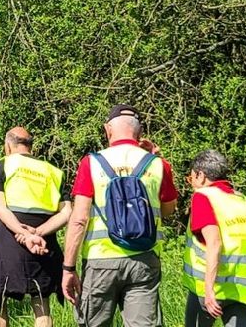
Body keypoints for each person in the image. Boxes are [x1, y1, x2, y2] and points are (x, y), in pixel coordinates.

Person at [61, 105, 179, 327]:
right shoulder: (157, 164)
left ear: (108, 129)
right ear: (140, 131)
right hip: (144, 259)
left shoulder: (92, 163)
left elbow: (79, 219)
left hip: (100, 261)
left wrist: (68, 268)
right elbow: (168, 209)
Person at [0, 127, 71, 327]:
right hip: (45, 241)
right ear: (31, 146)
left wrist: (23, 233)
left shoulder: (2, 165)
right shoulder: (54, 171)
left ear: (8, 145)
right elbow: (67, 212)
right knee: (41, 302)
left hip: (9, 239)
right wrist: (38, 233)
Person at [179, 150, 246, 327]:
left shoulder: (203, 197)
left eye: (191, 178)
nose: (191, 184)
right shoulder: (245, 201)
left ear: (201, 175)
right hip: (242, 291)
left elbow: (214, 243)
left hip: (210, 291)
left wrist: (208, 289)